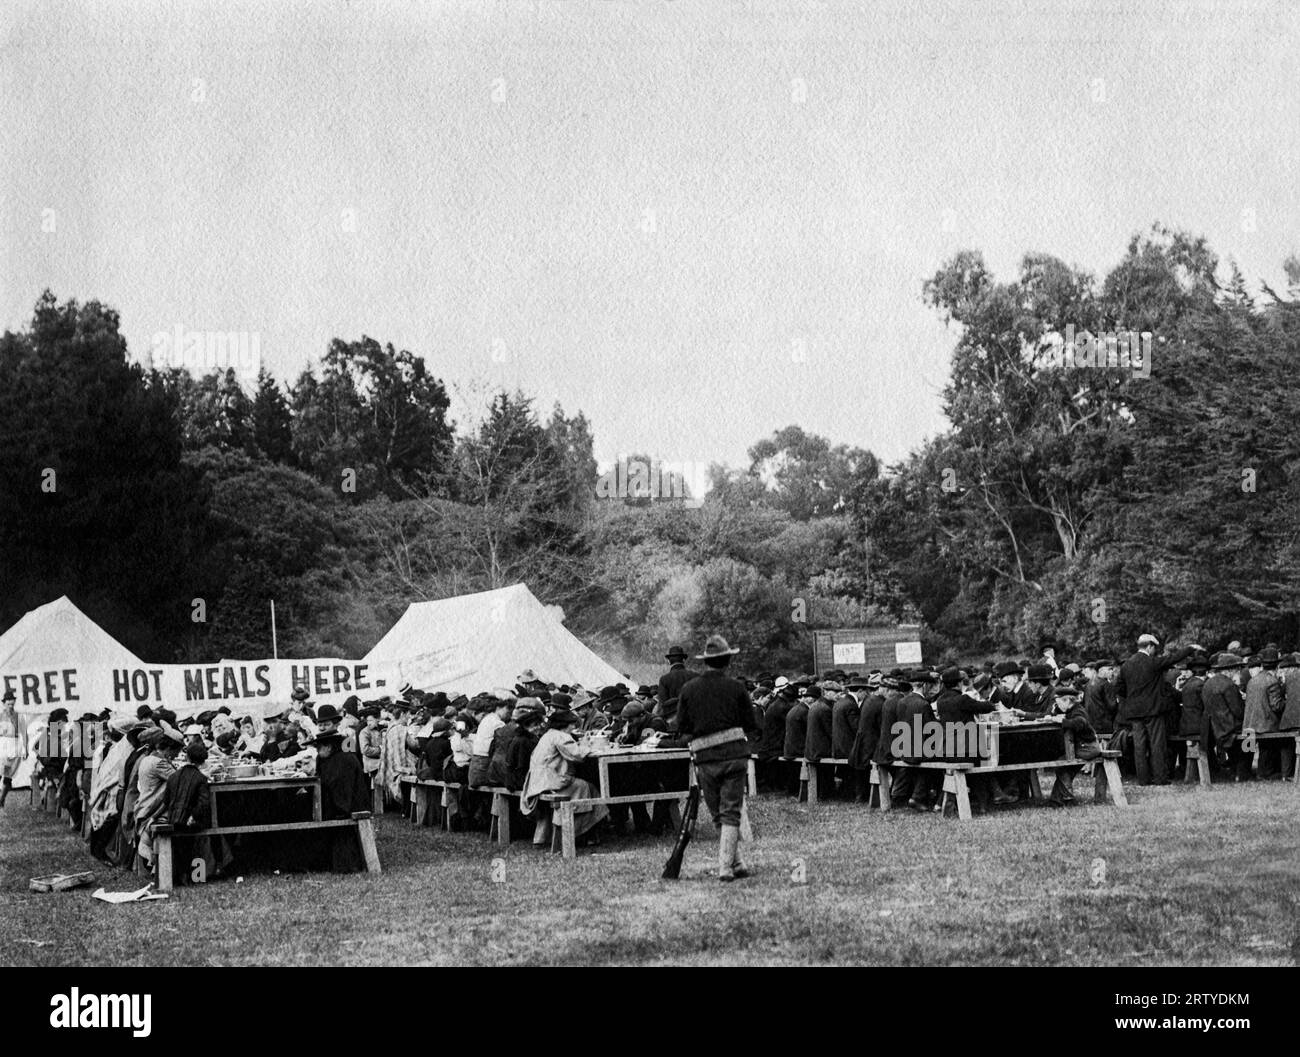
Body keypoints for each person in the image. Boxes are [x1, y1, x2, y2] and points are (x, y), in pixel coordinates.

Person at [676, 635, 760, 882]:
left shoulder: (689, 689)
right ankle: (733, 864)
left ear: (706, 662)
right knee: (731, 810)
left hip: (705, 759)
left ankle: (728, 865)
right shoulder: (737, 687)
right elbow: (750, 723)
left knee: (717, 813)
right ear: (727, 661)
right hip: (735, 757)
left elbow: (682, 726)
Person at [520, 707, 609, 847]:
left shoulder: (549, 734)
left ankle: (584, 833)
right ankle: (580, 832)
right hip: (552, 781)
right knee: (589, 788)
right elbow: (576, 755)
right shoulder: (561, 736)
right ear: (564, 725)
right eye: (572, 725)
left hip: (538, 781)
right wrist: (587, 745)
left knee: (585, 786)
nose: (574, 727)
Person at [1116, 633, 1196, 785]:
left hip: (1134, 712)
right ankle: (1160, 778)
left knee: (1139, 746)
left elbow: (1119, 688)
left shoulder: (1126, 665)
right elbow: (1173, 658)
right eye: (1155, 648)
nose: (1156, 651)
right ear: (1150, 646)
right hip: (1153, 711)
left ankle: (1143, 779)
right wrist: (1190, 648)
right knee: (1157, 744)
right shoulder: (1153, 662)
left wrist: (1133, 697)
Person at [311, 730, 372, 871]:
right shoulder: (327, 759)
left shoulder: (344, 760)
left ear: (329, 747)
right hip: (341, 803)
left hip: (348, 806)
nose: (317, 751)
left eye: (319, 747)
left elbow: (342, 793)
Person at [164, 740, 214, 885]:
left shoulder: (173, 776)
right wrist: (193, 816)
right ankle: (198, 875)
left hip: (174, 819)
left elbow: (166, 801)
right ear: (203, 762)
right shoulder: (201, 778)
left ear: (186, 757)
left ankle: (180, 874)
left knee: (179, 845)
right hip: (191, 821)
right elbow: (203, 804)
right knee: (201, 840)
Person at [1047, 680, 1100, 806]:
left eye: (1058, 702)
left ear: (1067, 701)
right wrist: (1055, 714)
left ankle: (1066, 798)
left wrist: (1061, 721)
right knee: (1064, 767)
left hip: (1088, 748)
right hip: (1084, 747)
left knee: (1061, 763)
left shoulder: (1078, 711)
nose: (1057, 705)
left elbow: (1080, 723)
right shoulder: (1071, 710)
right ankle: (1058, 799)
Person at [1201, 653, 1250, 781]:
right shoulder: (1229, 685)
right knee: (1251, 734)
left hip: (1210, 729)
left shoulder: (1207, 684)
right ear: (1230, 670)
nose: (1238, 672)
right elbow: (1238, 711)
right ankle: (1242, 772)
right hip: (1229, 728)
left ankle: (1233, 769)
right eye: (1237, 669)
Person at [1242, 647, 1286, 779]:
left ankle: (1243, 774)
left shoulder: (1251, 681)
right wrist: (1287, 701)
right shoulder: (1272, 681)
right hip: (1265, 725)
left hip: (1249, 725)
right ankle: (1266, 772)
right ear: (1277, 666)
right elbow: (1276, 706)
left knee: (1248, 749)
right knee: (1276, 743)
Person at [656, 645, 696, 729]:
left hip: (673, 723)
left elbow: (662, 706)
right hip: (693, 720)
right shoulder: (694, 676)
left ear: (669, 661)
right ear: (683, 660)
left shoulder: (664, 679)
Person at [0, 690, 28, 807]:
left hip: (14, 746)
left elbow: (24, 733)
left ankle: (1, 800)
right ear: (4, 703)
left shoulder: (19, 716)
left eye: (12, 704)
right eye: (8, 704)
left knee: (8, 775)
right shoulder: (0, 716)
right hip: (3, 745)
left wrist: (25, 748)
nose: (10, 706)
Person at [1278, 653, 1299, 780]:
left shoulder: (1288, 679)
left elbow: (1280, 698)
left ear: (1290, 668)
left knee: (1285, 745)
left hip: (1288, 721)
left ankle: (1285, 774)